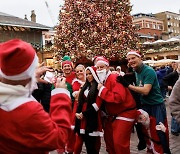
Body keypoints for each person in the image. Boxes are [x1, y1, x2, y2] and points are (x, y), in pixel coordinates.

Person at [0, 39, 71, 153]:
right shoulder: (29, 110)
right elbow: (59, 138)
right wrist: (61, 94)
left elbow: (14, 85)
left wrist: (30, 76)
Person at [117, 50, 171, 154]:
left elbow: (146, 91)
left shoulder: (148, 71)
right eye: (129, 59)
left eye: (133, 58)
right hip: (145, 105)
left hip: (156, 106)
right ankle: (150, 150)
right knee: (146, 130)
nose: (131, 61)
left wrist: (127, 85)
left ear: (140, 58)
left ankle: (164, 151)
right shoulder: (136, 71)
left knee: (159, 131)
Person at [95, 57, 137, 154]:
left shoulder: (114, 78)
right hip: (111, 116)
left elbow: (119, 98)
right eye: (98, 68)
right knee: (109, 142)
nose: (100, 69)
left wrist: (102, 90)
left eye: (102, 67)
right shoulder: (102, 80)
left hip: (124, 113)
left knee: (119, 143)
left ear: (107, 67)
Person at [74, 66, 103, 154]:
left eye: (90, 74)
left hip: (92, 118)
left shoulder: (98, 87)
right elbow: (80, 102)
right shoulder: (85, 86)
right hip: (83, 119)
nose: (88, 76)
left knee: (92, 144)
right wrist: (77, 113)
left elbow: (97, 105)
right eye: (87, 74)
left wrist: (84, 113)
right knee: (87, 143)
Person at [66, 64, 86, 153]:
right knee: (75, 130)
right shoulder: (76, 82)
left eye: (81, 71)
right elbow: (77, 95)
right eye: (77, 71)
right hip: (78, 107)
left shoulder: (90, 79)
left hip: (88, 108)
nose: (79, 73)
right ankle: (72, 150)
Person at [163, 63, 180, 136]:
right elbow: (164, 79)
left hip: (176, 93)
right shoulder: (173, 73)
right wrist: (167, 86)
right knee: (173, 116)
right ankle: (174, 129)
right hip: (174, 93)